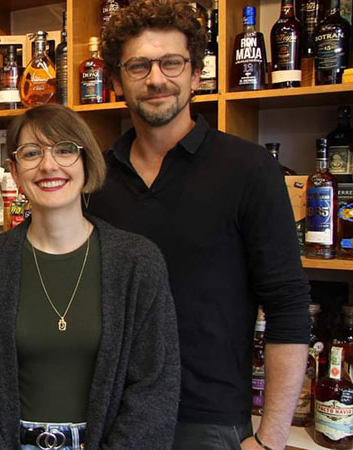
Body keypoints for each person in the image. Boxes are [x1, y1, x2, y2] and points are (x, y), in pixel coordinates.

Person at [86, 2, 311, 449]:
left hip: (211, 422)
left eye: (171, 63)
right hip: (113, 417)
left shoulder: (248, 169)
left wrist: (272, 437)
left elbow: (288, 304)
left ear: (194, 74)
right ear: (115, 82)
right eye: (138, 66)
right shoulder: (95, 178)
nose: (156, 79)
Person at [0, 104, 181, 450]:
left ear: (86, 163)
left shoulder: (137, 262)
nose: (48, 165)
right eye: (31, 153)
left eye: (65, 150)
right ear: (14, 171)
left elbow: (154, 389)